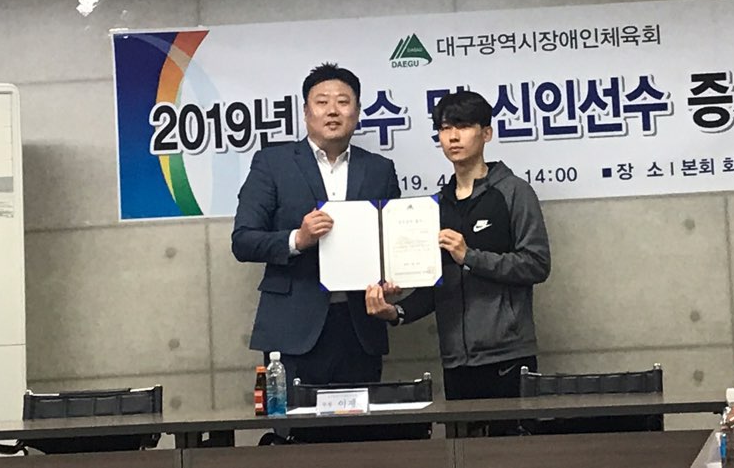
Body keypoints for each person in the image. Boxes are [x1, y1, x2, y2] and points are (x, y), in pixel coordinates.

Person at [365, 90, 551, 417]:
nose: (453, 136)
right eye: (444, 128)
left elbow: (537, 264)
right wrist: (395, 312)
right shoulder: (437, 205)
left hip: (507, 354)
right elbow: (435, 284)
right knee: (462, 444)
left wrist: (470, 256)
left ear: (486, 133)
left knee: (515, 443)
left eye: (463, 126)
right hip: (454, 358)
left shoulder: (514, 192)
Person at [233, 63, 400, 387]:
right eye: (322, 102)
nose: (333, 111)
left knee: (361, 419)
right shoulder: (272, 163)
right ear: (306, 111)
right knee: (295, 420)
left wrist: (392, 278)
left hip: (359, 328)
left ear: (357, 111)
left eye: (343, 102)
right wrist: (299, 238)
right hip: (292, 328)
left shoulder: (379, 169)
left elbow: (390, 243)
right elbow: (243, 240)